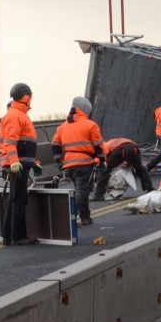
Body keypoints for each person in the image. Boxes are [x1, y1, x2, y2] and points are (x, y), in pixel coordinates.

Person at [51, 96, 103, 226]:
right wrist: (102, 160)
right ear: (86, 110)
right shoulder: (91, 125)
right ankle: (69, 215)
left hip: (69, 165)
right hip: (84, 164)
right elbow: (98, 146)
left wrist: (59, 161)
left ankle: (85, 218)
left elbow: (55, 145)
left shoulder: (62, 126)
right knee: (83, 191)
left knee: (81, 190)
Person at [0, 82, 37, 246]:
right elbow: (11, 142)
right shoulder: (16, 115)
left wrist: (35, 162)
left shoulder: (16, 114)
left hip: (20, 162)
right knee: (19, 200)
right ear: (26, 97)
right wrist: (14, 161)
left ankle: (8, 236)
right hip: (18, 164)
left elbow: (26, 142)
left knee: (14, 198)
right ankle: (18, 236)